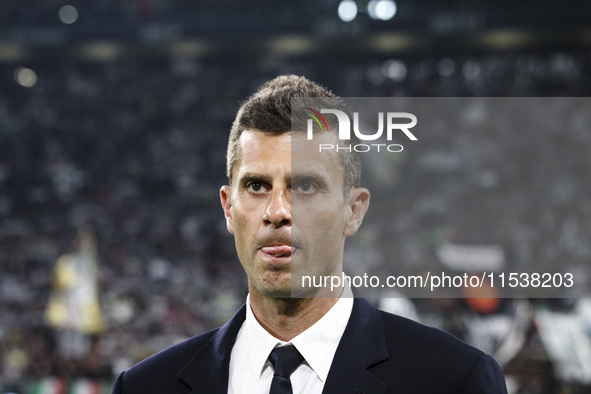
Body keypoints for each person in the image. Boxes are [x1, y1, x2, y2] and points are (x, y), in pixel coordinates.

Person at [112, 75, 508, 393]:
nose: (278, 212)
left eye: (305, 186)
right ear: (228, 208)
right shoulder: (146, 386)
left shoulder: (453, 380)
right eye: (256, 186)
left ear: (354, 211)